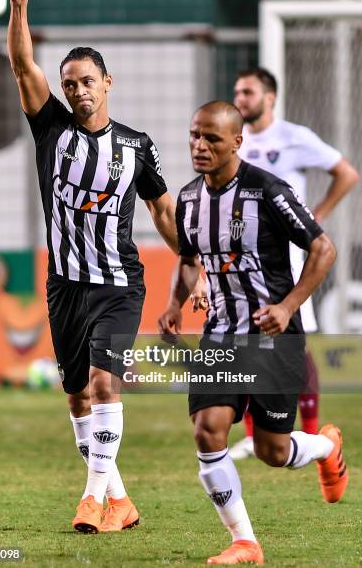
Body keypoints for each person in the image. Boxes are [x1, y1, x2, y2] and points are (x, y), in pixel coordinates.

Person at [5, 0, 205, 534]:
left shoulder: (136, 147)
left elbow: (163, 212)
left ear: (107, 82)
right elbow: (22, 64)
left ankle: (91, 500)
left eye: (87, 80)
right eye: (69, 83)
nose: (77, 90)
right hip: (64, 284)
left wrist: (195, 265)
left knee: (102, 385)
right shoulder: (51, 131)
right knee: (75, 398)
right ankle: (119, 499)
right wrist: (19, 6)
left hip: (118, 282)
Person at [159, 101, 348, 565]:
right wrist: (173, 304)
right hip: (220, 335)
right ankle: (245, 541)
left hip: (272, 338)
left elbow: (323, 248)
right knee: (209, 429)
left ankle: (326, 447)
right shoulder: (188, 199)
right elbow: (188, 260)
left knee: (272, 450)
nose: (199, 146)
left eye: (212, 139)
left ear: (237, 143)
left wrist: (287, 306)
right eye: (194, 136)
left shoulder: (268, 190)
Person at [228, 67, 359, 459]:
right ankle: (255, 434)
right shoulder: (233, 139)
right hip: (243, 258)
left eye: (248, 92)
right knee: (246, 342)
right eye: (237, 91)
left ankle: (313, 431)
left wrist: (317, 215)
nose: (241, 99)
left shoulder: (293, 138)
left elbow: (346, 173)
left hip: (287, 260)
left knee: (296, 348)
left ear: (269, 97)